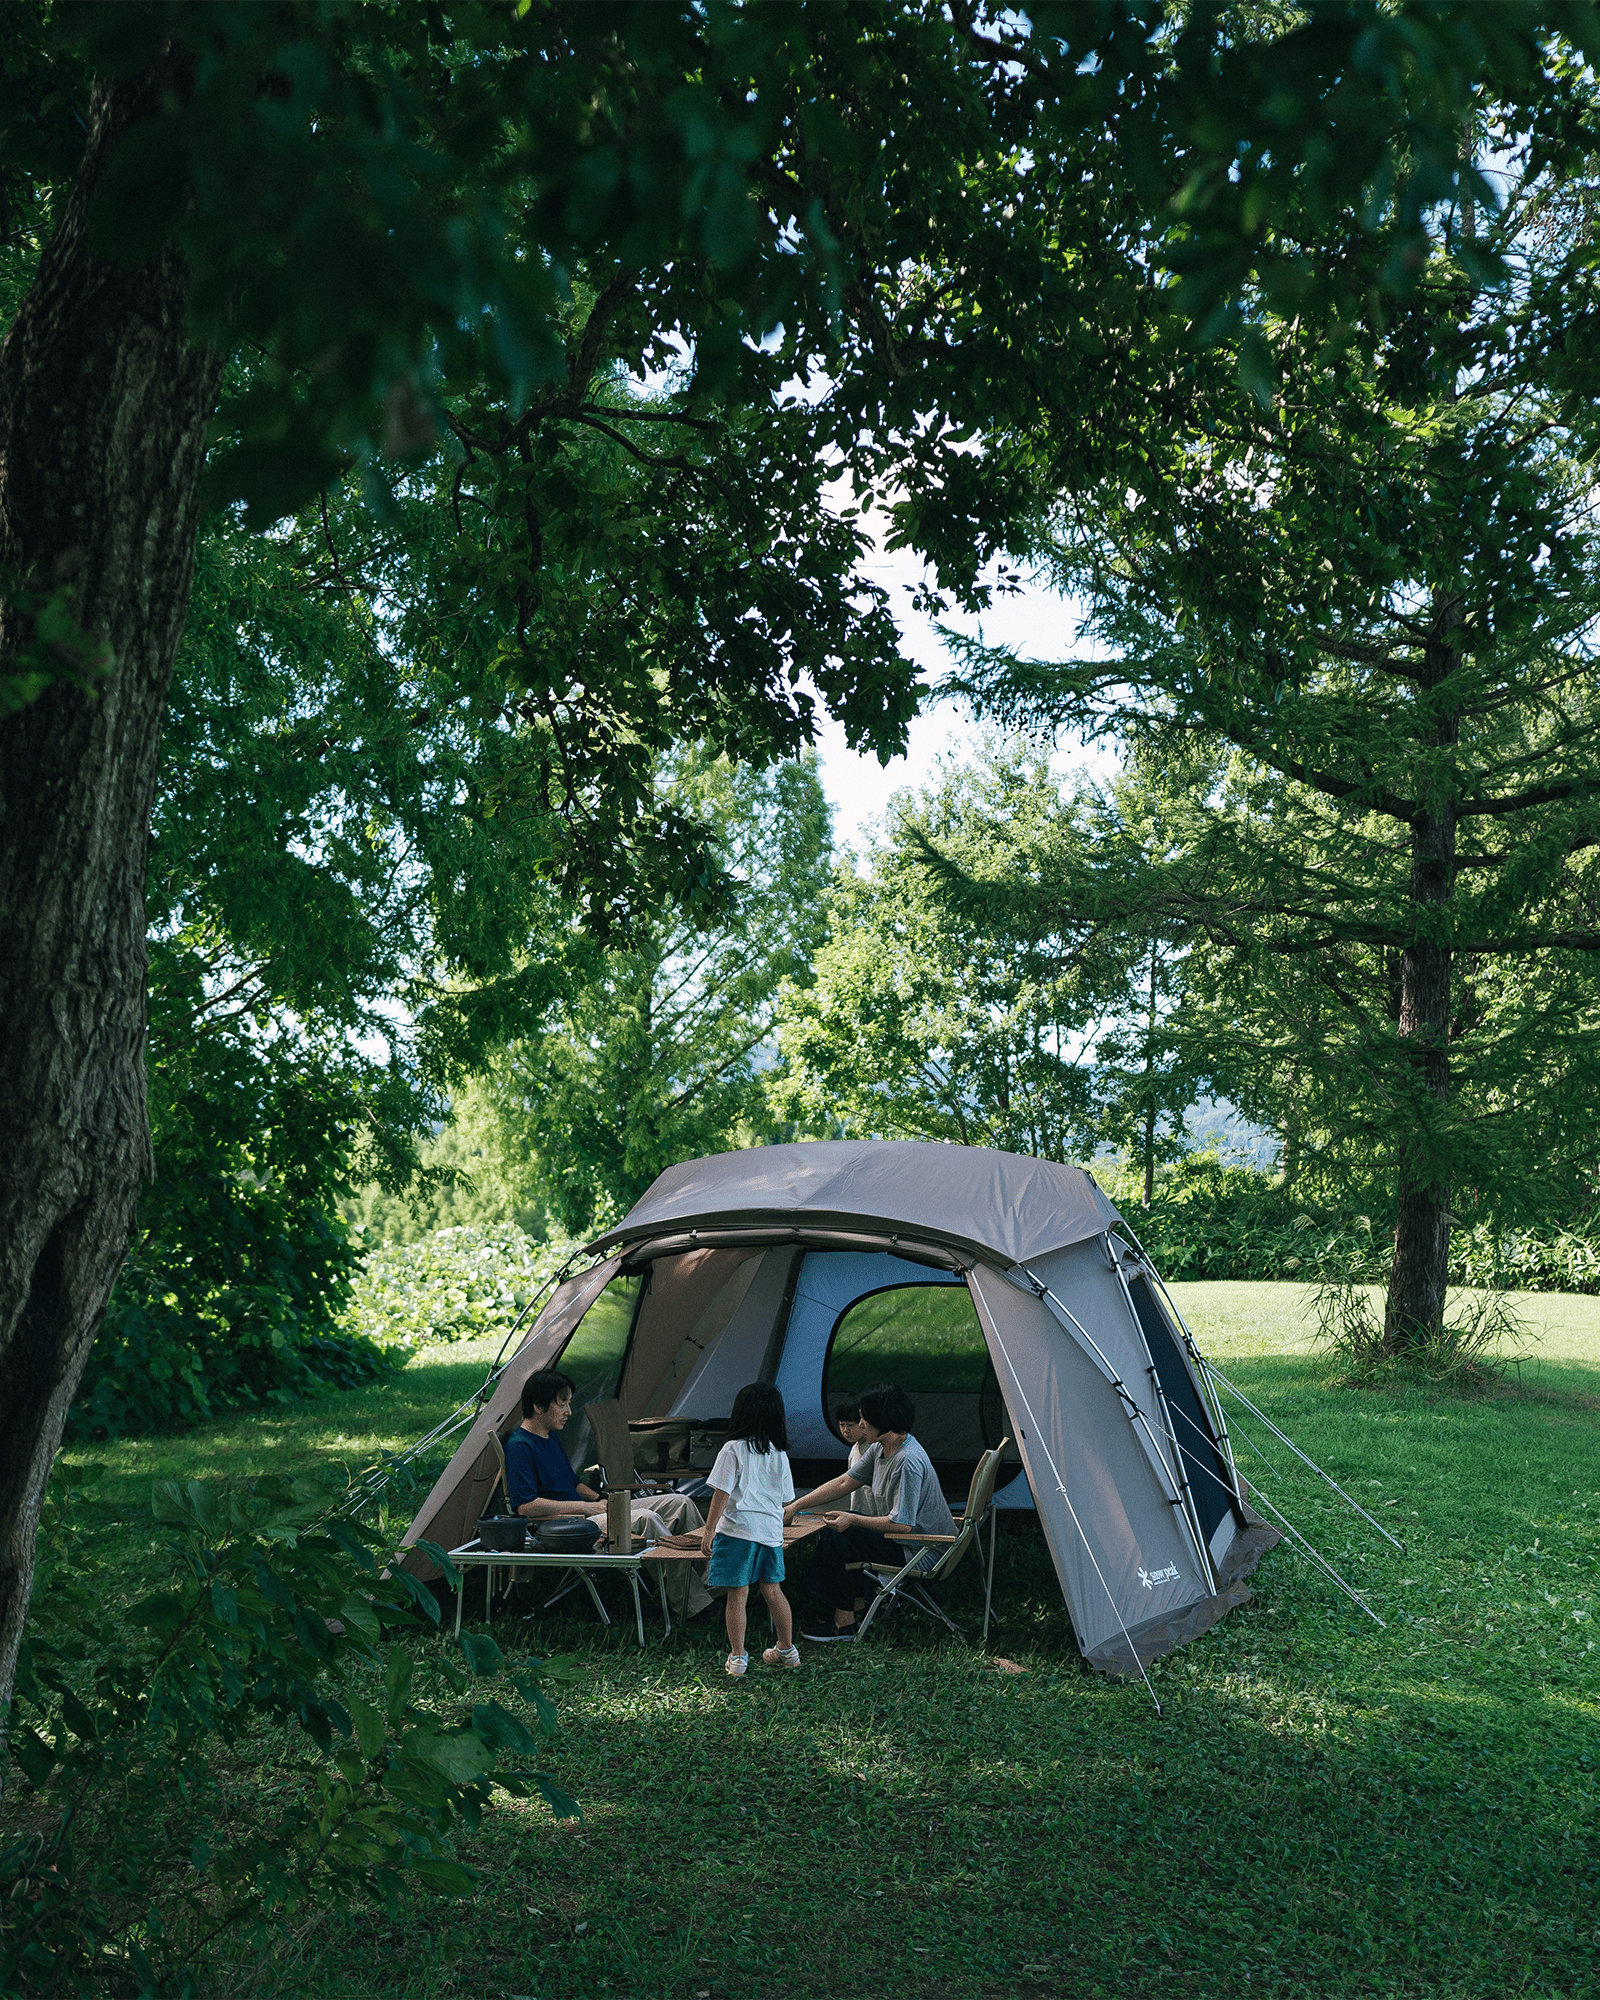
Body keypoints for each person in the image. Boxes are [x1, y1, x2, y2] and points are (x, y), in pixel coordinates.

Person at [505, 1370, 711, 1614]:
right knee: (647, 1518)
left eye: (569, 1403)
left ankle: (714, 1582)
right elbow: (525, 1506)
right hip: (566, 1526)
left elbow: (572, 1483)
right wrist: (586, 1507)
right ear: (538, 1406)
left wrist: (602, 1499)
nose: (569, 1411)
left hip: (588, 1513)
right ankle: (696, 1605)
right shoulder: (520, 1447)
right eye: (562, 1404)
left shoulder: (549, 1438)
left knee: (680, 1502)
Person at [784, 1380, 955, 1643]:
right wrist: (796, 1505)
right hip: (907, 1541)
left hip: (923, 1549)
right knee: (841, 1534)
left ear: (883, 1419)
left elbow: (902, 1525)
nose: (860, 1425)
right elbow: (844, 1482)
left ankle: (843, 1623)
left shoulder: (907, 1461)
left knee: (841, 1537)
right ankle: (844, 1609)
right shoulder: (880, 1448)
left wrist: (852, 1518)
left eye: (864, 1419)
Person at [699, 1382, 799, 1677]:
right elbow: (786, 1498)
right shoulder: (779, 1453)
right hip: (770, 1533)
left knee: (737, 1594)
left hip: (738, 1532)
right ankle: (787, 1649)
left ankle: (739, 1657)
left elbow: (722, 1493)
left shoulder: (733, 1449)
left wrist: (708, 1530)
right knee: (773, 1590)